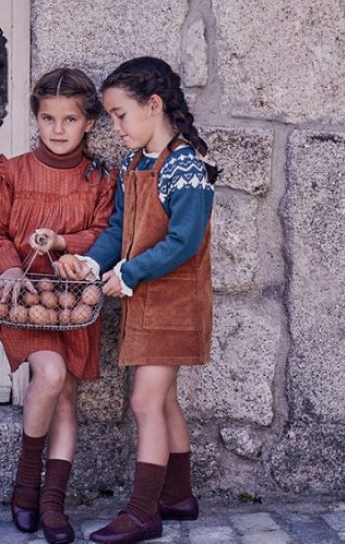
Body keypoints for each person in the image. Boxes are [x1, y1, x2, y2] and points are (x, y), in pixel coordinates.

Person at [55, 57, 218, 544]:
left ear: (153, 105)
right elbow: (118, 230)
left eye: (121, 114)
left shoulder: (185, 166)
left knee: (145, 400)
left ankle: (144, 511)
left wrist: (129, 272)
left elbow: (184, 242)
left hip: (175, 303)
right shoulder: (135, 164)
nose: (117, 127)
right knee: (163, 400)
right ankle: (179, 496)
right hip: (144, 300)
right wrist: (92, 264)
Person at [0, 68, 116, 544]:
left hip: (73, 300)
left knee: (66, 394)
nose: (58, 129)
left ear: (89, 123)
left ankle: (52, 501)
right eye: (48, 118)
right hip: (26, 298)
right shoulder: (12, 172)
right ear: (35, 118)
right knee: (49, 375)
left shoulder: (100, 179)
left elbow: (103, 236)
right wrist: (10, 268)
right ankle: (24, 486)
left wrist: (63, 243)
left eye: (70, 119)